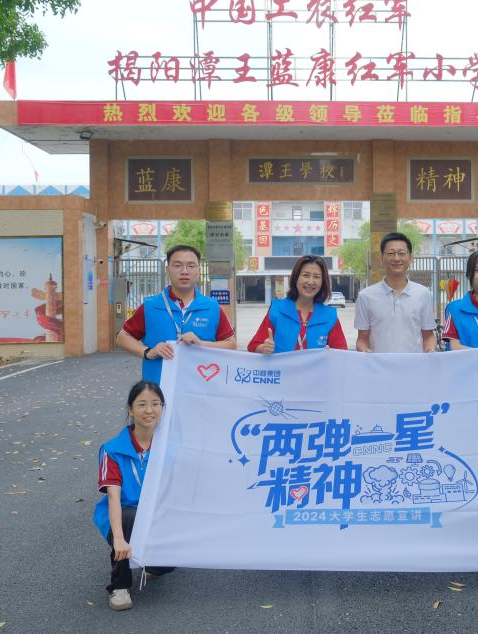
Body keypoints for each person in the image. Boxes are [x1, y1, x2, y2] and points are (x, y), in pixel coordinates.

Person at [94, 380, 175, 611]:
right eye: (142, 404)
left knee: (168, 564)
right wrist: (119, 539)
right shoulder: (112, 450)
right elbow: (113, 497)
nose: (149, 410)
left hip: (157, 513)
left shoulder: (170, 448)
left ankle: (155, 565)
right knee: (129, 517)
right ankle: (119, 586)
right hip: (123, 514)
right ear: (130, 409)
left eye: (155, 404)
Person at [116, 245, 237, 383]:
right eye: (177, 265)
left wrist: (202, 344)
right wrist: (148, 352)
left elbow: (231, 344)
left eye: (191, 266)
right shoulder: (150, 306)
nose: (184, 271)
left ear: (198, 270)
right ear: (167, 269)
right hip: (157, 389)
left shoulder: (212, 307)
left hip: (200, 388)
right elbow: (122, 338)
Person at [354, 232, 436, 353]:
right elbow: (362, 338)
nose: (397, 258)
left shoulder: (423, 294)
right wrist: (364, 350)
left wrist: (430, 351)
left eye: (402, 253)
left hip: (413, 364)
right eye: (391, 253)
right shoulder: (365, 296)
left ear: (410, 258)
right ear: (382, 259)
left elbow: (428, 335)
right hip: (378, 364)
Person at [247, 255, 348, 353]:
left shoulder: (329, 316)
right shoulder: (277, 310)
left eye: (316, 277)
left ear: (323, 282)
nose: (311, 282)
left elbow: (342, 353)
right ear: (296, 278)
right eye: (306, 275)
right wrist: (263, 348)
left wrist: (331, 354)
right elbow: (253, 346)